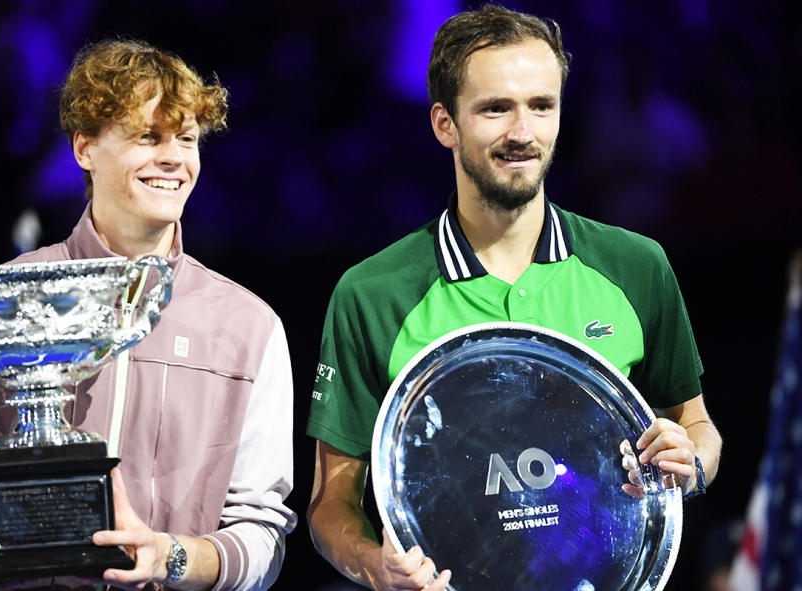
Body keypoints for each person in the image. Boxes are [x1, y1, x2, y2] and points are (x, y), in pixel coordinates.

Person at [305, 6, 721, 590]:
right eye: (495, 108)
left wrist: (693, 464)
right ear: (444, 123)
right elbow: (330, 504)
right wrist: (376, 567)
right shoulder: (373, 293)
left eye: (541, 106)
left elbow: (698, 428)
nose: (522, 132)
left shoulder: (635, 265)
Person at [0, 39, 296, 591]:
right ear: (84, 148)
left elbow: (262, 534)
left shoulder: (247, 327)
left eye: (186, 139)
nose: (174, 158)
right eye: (148, 136)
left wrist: (171, 558)